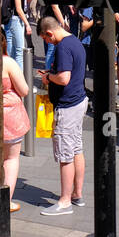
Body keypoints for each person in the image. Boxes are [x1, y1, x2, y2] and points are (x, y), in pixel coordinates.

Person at [38, 14, 87, 215]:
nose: (47, 42)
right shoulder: (75, 41)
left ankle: (65, 200)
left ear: (49, 33)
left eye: (45, 39)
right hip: (79, 101)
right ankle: (77, 193)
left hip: (68, 106)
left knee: (66, 154)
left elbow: (64, 78)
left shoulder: (62, 47)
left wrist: (49, 77)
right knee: (76, 148)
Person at [1, 31, 30, 212]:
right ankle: (6, 199)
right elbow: (24, 90)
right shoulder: (8, 62)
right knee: (11, 158)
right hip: (10, 115)